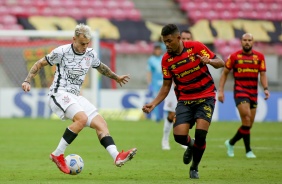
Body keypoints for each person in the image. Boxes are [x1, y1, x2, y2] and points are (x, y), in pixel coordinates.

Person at [21, 23, 137, 174]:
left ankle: (117, 157)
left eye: (87, 43)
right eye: (82, 43)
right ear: (74, 39)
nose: (84, 46)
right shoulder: (61, 51)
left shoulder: (90, 54)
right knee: (81, 119)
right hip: (59, 93)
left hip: (75, 96)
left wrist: (116, 77)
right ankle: (57, 154)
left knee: (101, 124)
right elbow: (40, 63)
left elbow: (101, 67)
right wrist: (27, 80)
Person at [142, 24, 224, 179]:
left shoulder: (196, 47)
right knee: (179, 136)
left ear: (178, 38)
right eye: (164, 41)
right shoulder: (166, 60)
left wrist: (210, 62)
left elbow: (221, 63)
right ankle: (192, 146)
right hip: (185, 100)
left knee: (201, 135)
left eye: (169, 41)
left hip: (205, 97)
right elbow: (166, 87)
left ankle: (194, 167)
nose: (166, 44)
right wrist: (153, 103)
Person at [218, 33, 270, 159]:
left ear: (253, 42)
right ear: (241, 42)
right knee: (246, 118)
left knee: (248, 124)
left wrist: (266, 89)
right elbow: (224, 73)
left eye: (249, 40)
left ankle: (230, 143)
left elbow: (262, 74)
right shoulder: (234, 57)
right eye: (245, 40)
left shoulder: (259, 57)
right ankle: (248, 151)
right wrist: (221, 90)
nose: (247, 42)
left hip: (253, 92)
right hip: (240, 91)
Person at [161, 29, 193, 150]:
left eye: (187, 39)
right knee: (171, 114)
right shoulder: (171, 54)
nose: (185, 41)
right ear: (179, 38)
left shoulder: (193, 52)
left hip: (188, 90)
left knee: (184, 115)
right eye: (183, 38)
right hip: (173, 89)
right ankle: (165, 139)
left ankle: (182, 138)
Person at [146, 43, 164, 122]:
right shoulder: (151, 60)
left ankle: (166, 117)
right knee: (156, 100)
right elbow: (149, 72)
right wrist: (150, 83)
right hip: (155, 82)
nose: (158, 51)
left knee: (165, 100)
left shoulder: (163, 58)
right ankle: (157, 118)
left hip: (164, 82)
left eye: (159, 49)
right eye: (156, 49)